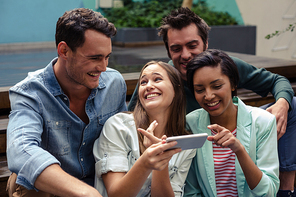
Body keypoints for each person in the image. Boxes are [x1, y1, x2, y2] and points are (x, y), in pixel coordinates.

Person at [127, 7, 296, 196]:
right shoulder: (162, 78)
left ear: (205, 43)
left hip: (233, 124)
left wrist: (282, 102)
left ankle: (286, 189)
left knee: (293, 104)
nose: (185, 55)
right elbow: (133, 113)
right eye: (176, 48)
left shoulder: (223, 65)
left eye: (192, 45)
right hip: (188, 142)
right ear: (168, 51)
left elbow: (277, 81)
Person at [6, 8, 127, 197]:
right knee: (25, 181)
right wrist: (86, 193)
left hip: (99, 182)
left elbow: (122, 138)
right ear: (64, 51)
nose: (103, 67)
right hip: (51, 189)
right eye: (94, 58)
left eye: (107, 57)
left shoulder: (114, 83)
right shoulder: (30, 92)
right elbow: (21, 150)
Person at [184, 49, 279, 196]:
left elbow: (268, 192)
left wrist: (239, 150)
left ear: (233, 84)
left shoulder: (263, 121)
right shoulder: (191, 124)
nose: (208, 96)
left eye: (217, 86)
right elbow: (191, 191)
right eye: (200, 89)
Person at [93, 61, 196, 197]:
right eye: (143, 82)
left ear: (176, 89)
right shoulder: (118, 126)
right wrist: (147, 161)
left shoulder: (185, 144)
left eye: (157, 79)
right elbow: (116, 194)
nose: (148, 86)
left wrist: (161, 160)